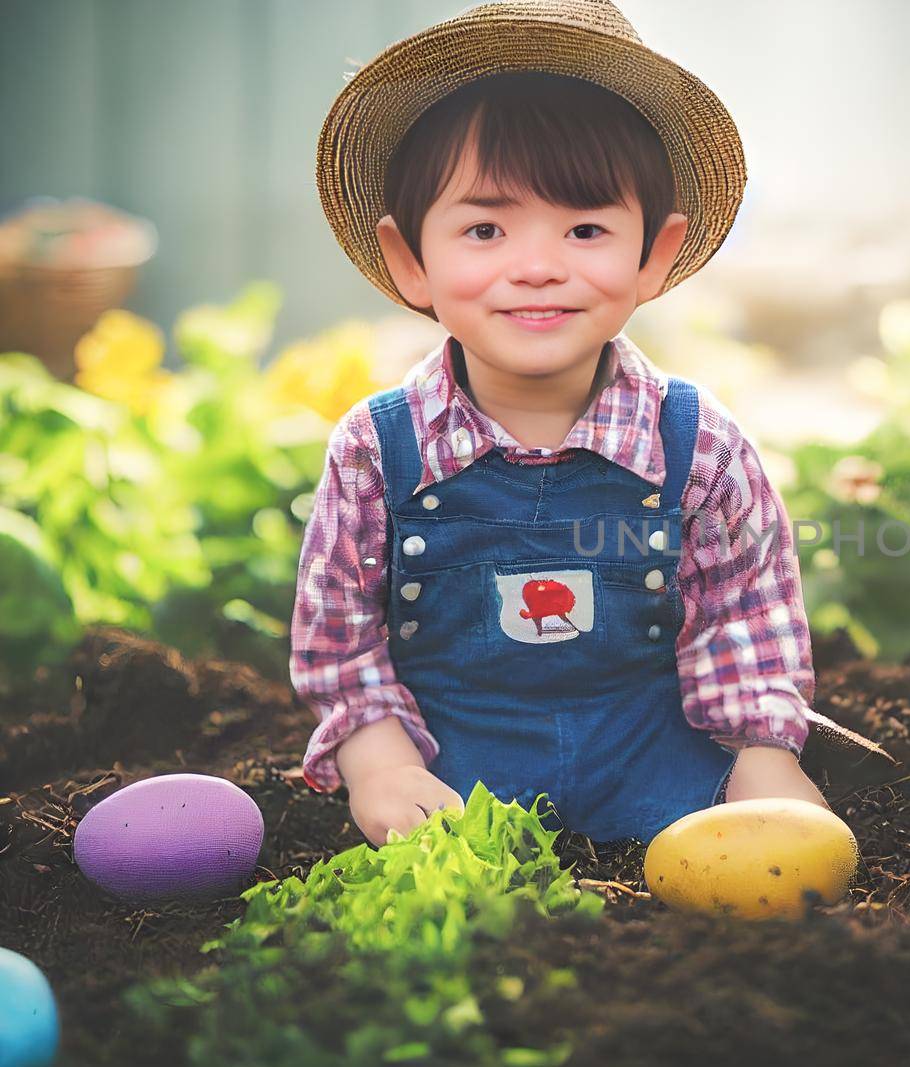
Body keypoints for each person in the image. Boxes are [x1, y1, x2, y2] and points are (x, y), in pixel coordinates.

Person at [293, 0, 860, 848]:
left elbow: (743, 616)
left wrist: (763, 758)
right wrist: (378, 765)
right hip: (453, 778)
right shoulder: (379, 451)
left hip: (655, 763)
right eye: (484, 228)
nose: (536, 266)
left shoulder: (697, 444)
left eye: (586, 228)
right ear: (411, 261)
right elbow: (340, 635)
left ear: (653, 256)